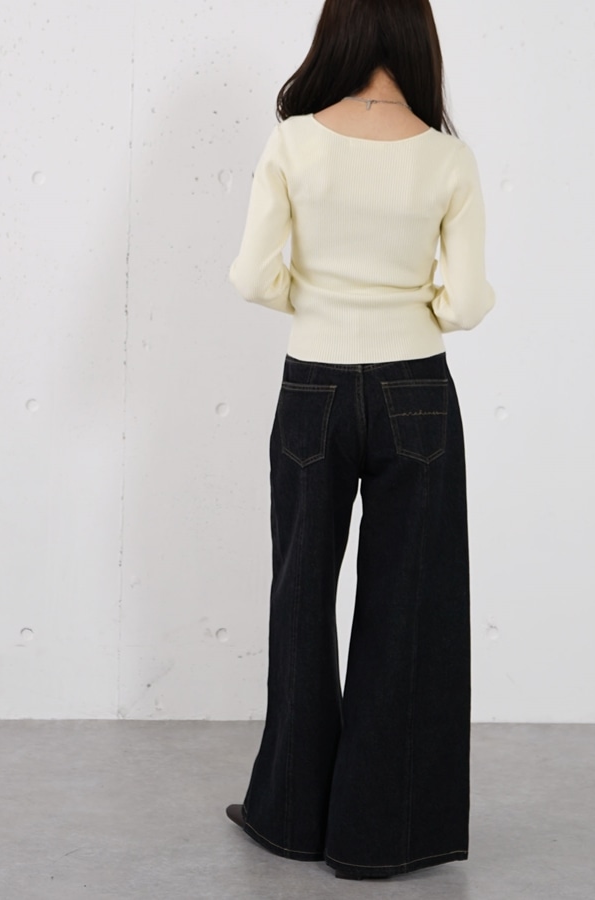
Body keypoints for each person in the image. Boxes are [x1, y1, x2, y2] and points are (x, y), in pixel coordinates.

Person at [224, 0, 495, 881]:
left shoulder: (296, 142)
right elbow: (466, 301)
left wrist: (315, 300)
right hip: (417, 389)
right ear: (418, 35)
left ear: (336, 30)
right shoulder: (447, 157)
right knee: (410, 607)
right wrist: (417, 307)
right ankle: (381, 835)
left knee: (300, 595)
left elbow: (250, 277)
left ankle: (290, 815)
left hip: (314, 384)